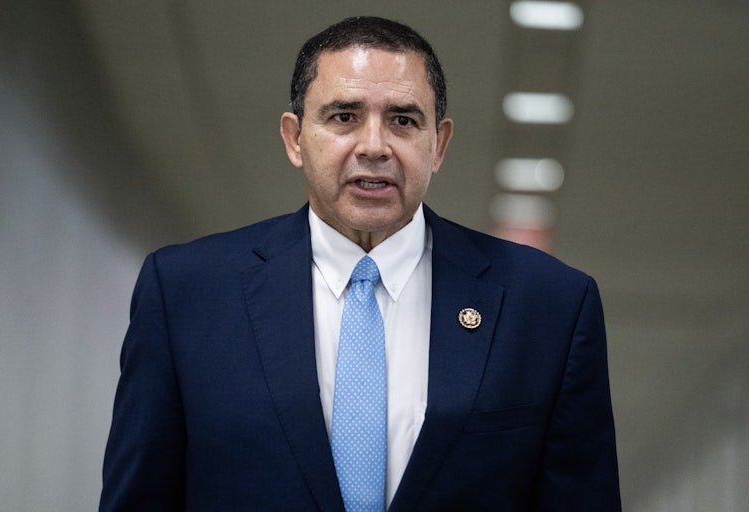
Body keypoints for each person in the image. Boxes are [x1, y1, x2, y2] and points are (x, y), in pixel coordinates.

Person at [100, 16, 621, 511]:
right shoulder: (187, 294)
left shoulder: (547, 307)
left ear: (438, 144)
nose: (374, 146)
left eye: (403, 120)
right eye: (344, 116)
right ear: (294, 137)